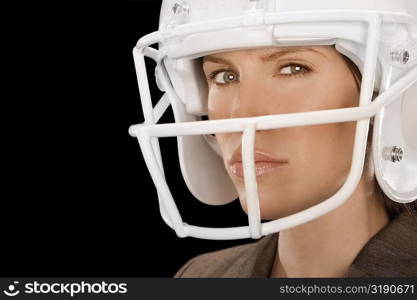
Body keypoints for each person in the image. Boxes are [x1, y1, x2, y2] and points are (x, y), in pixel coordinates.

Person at [129, 0, 417, 277]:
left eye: (293, 68)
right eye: (224, 76)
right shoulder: (200, 277)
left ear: (388, 94)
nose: (242, 115)